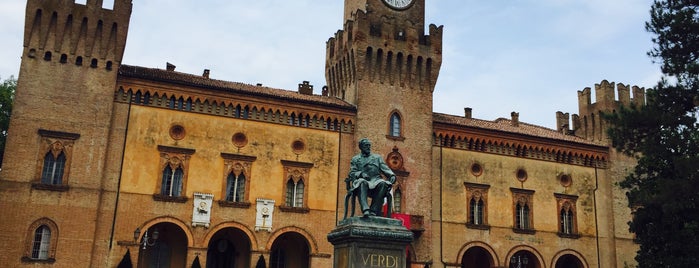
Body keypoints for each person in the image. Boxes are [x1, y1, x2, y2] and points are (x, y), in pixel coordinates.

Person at [348, 138, 396, 217]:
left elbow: (385, 169)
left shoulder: (377, 158)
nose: (368, 147)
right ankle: (365, 209)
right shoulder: (355, 159)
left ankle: (373, 210)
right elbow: (352, 173)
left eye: (369, 145)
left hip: (376, 180)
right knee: (361, 183)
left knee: (383, 184)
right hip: (363, 180)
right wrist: (361, 174)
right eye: (366, 146)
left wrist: (392, 175)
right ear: (361, 147)